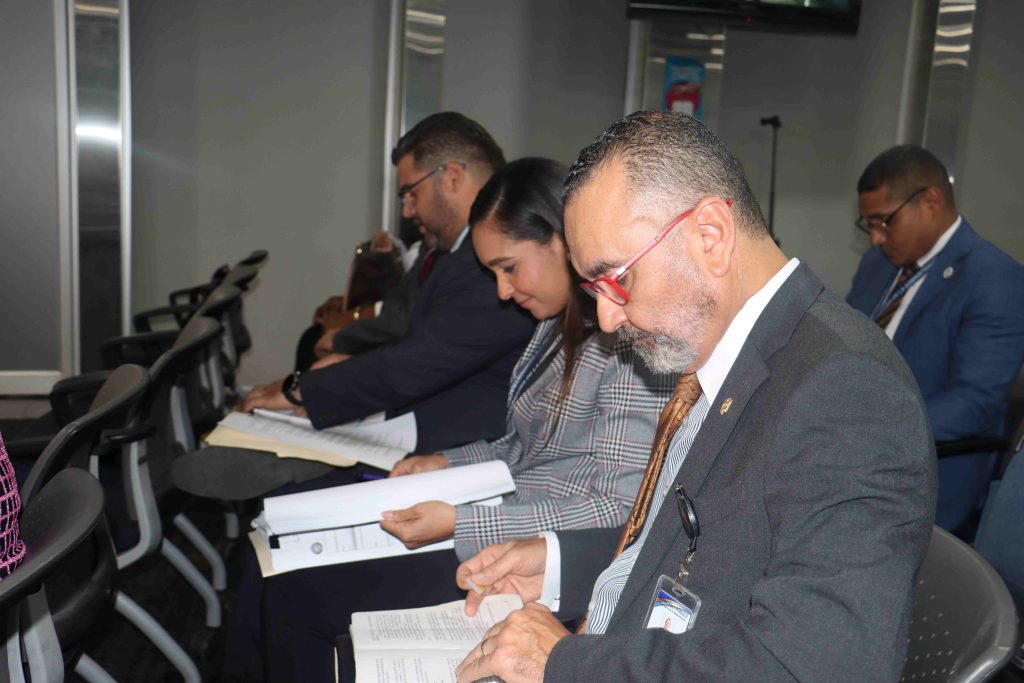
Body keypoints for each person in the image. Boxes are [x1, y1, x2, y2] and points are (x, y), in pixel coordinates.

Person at [451, 112, 936, 683]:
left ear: (710, 235)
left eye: (617, 280)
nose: (606, 319)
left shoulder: (846, 389)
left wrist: (564, 665)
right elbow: (702, 548)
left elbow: (817, 664)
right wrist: (560, 564)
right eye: (593, 289)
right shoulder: (732, 354)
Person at [259, 157, 675, 682]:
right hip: (506, 523)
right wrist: (443, 462)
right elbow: (519, 448)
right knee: (293, 577)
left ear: (560, 242)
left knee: (303, 594)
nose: (502, 291)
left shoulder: (623, 343)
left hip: (539, 554)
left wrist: (462, 521)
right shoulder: (555, 324)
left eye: (509, 268)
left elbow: (616, 508)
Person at [244, 112, 536, 452]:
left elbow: (418, 363)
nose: (407, 211)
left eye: (411, 193)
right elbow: (411, 338)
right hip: (422, 422)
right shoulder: (451, 251)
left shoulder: (488, 266)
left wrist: (303, 390)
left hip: (455, 444)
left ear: (453, 177)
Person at [846, 145, 1024, 534]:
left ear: (930, 201)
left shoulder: (995, 279)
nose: (875, 239)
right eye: (869, 225)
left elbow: (974, 404)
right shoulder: (878, 264)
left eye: (884, 222)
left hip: (922, 467)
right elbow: (843, 342)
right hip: (850, 445)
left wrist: (871, 429)